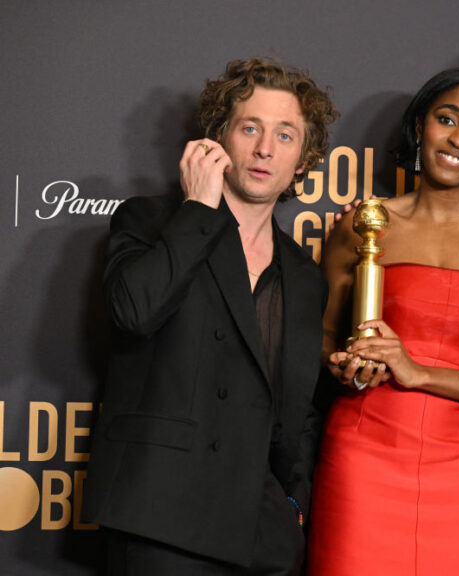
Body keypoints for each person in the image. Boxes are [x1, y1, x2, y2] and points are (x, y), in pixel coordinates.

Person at [83, 58, 337, 574]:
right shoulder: (151, 220)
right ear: (218, 138)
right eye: (251, 128)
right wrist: (198, 210)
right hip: (160, 518)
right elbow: (132, 312)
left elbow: (299, 405)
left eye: (285, 135)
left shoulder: (304, 273)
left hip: (261, 535)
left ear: (304, 160)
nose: (266, 148)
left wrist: (293, 506)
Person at [308, 68, 459, 576]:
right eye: (447, 119)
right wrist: (340, 363)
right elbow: (319, 339)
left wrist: (418, 372)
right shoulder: (363, 224)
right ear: (420, 125)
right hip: (360, 457)